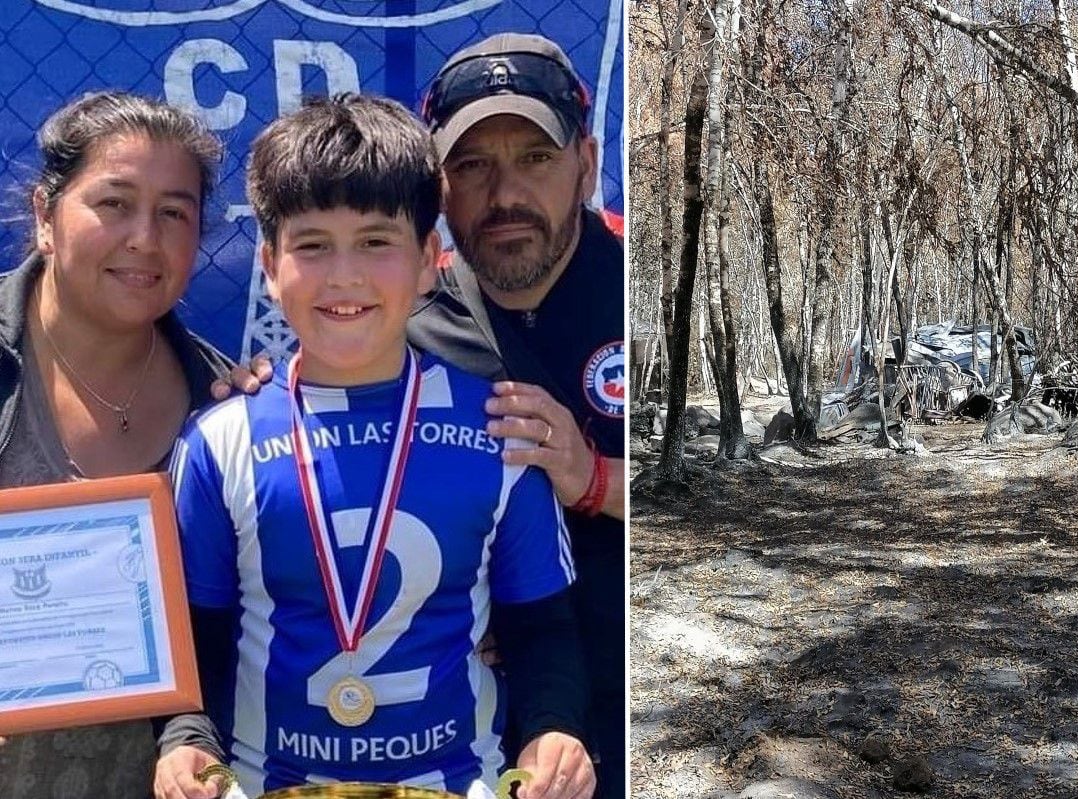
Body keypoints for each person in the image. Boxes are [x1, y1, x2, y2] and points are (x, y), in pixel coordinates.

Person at [153, 94, 594, 799]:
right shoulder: (220, 440)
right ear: (269, 264)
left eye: (375, 242)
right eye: (312, 245)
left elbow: (543, 631)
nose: (344, 276)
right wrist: (185, 740)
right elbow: (194, 642)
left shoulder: (497, 430)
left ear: (428, 259)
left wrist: (552, 729)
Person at [409, 33, 626, 799]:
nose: (505, 194)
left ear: (587, 165)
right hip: (489, 723)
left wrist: (593, 476)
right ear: (439, 189)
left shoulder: (650, 288)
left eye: (535, 157)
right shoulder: (407, 330)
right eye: (472, 166)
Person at [0, 92, 235, 799]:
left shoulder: (224, 408)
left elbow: (230, 627)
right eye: (114, 203)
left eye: (174, 212)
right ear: (45, 215)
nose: (145, 237)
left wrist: (191, 739)